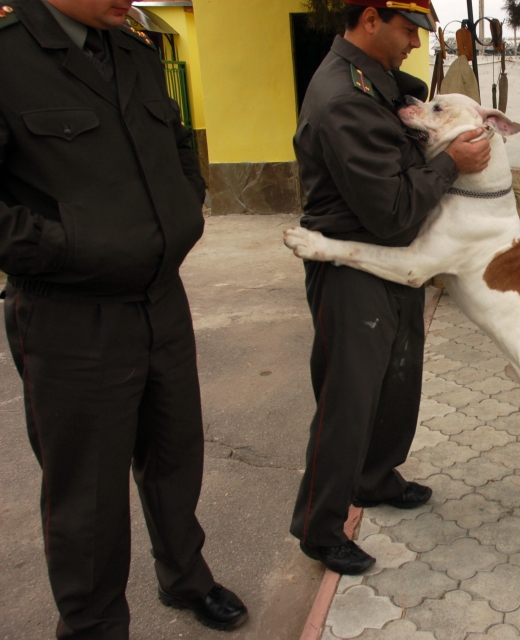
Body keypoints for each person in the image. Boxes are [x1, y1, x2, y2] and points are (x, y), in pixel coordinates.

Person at [0, 0, 247, 636]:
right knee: (87, 492)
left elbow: (178, 144)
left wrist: (181, 210)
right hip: (70, 315)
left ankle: (184, 576)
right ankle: (94, 625)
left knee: (175, 455)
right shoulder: (8, 56)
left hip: (161, 298)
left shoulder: (134, 50)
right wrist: (72, 247)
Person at [290, 0, 490, 575]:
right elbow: (391, 210)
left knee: (399, 378)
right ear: (369, 18)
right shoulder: (344, 98)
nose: (414, 43)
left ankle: (375, 477)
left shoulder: (377, 83)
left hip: (397, 260)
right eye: (407, 30)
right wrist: (451, 162)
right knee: (347, 399)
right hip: (354, 265)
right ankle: (318, 525)